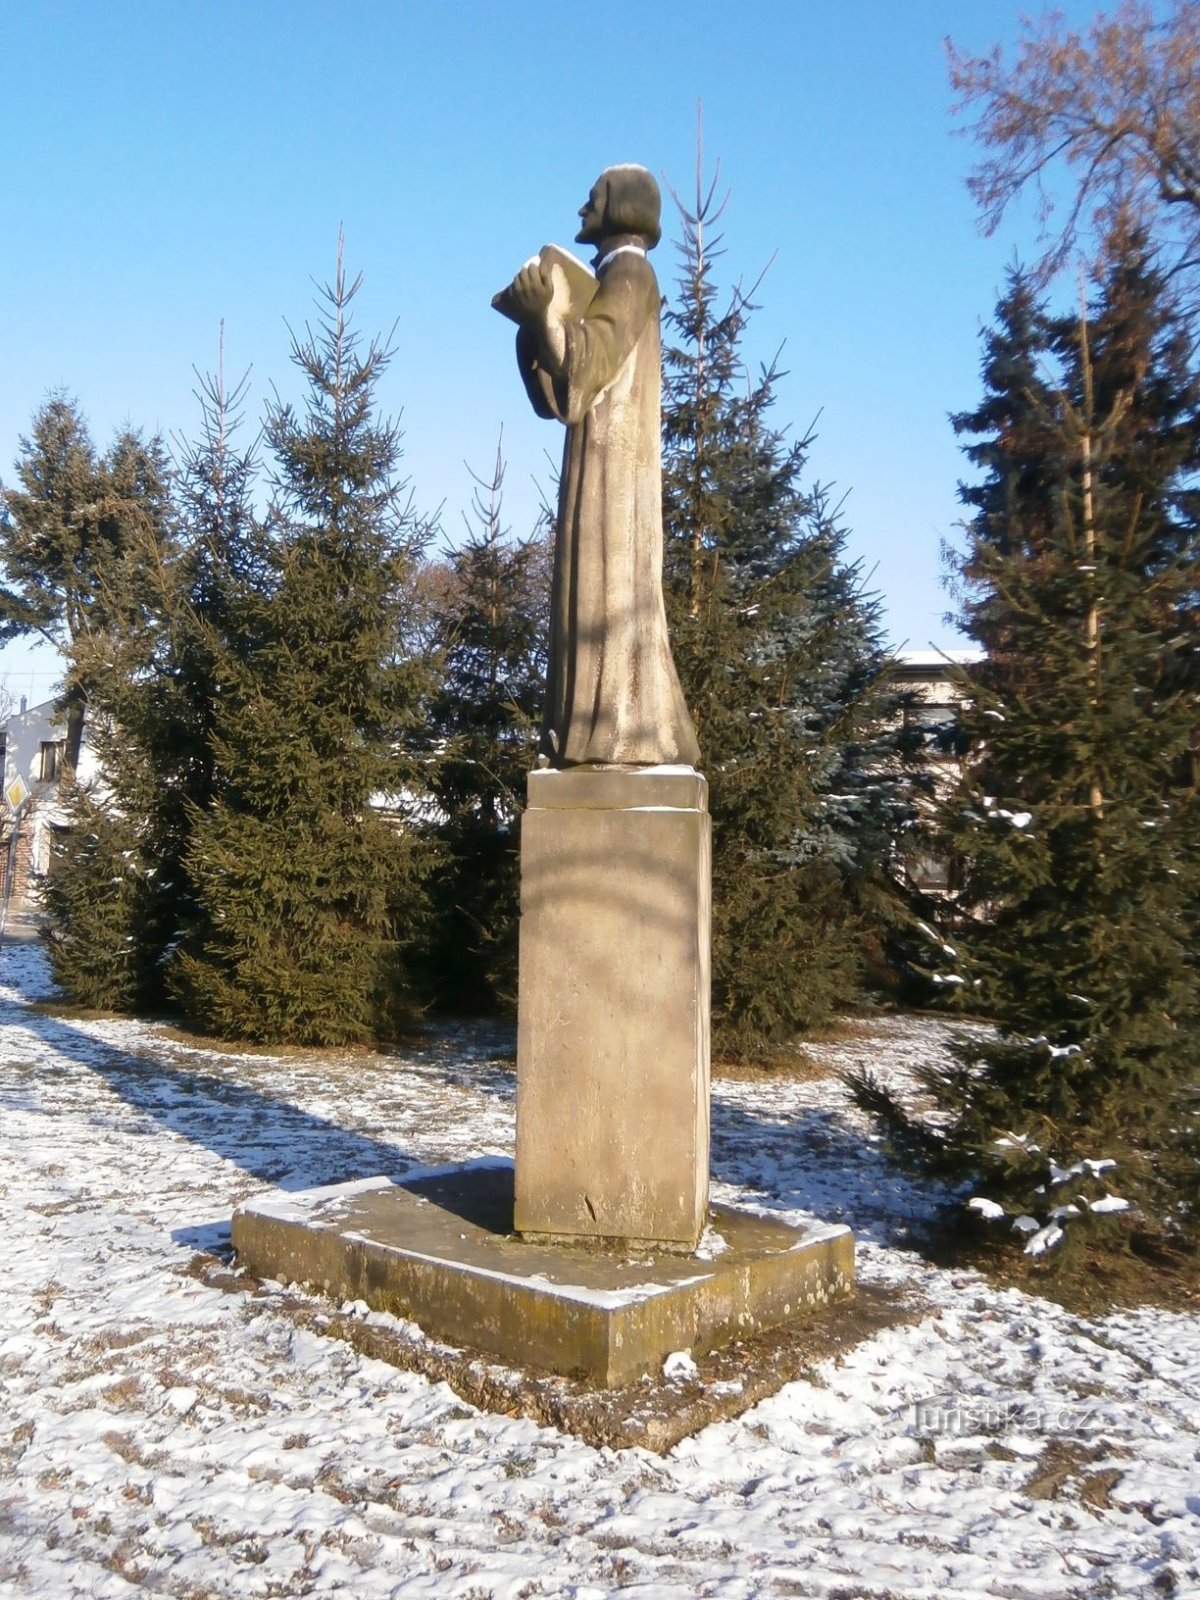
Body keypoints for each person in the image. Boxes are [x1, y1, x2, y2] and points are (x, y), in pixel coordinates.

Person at [501, 164, 700, 769]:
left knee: (609, 584)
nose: (582, 210)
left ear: (621, 205)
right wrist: (536, 328)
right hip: (594, 452)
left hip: (614, 467)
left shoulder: (632, 271)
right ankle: (591, 728)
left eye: (592, 200)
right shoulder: (614, 273)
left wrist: (547, 320)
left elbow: (593, 359)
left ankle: (618, 733)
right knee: (587, 584)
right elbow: (558, 398)